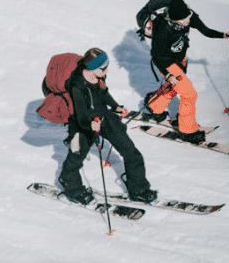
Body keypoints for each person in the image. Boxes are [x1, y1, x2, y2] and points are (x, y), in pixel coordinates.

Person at [58, 48, 157, 204]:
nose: (106, 70)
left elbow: (103, 93)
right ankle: (70, 184)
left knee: (131, 152)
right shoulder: (77, 85)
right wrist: (90, 124)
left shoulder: (98, 77)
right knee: (76, 157)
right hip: (82, 124)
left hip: (104, 117)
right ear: (92, 68)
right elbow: (80, 115)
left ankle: (138, 189)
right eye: (103, 68)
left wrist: (115, 106)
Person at [142, 0, 229, 144]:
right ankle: (187, 130)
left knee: (174, 87)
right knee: (189, 94)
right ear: (173, 20)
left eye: (187, 19)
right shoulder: (163, 29)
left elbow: (204, 30)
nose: (187, 23)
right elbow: (156, 56)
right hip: (166, 62)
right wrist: (167, 74)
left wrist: (224, 35)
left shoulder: (188, 15)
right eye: (182, 21)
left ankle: (155, 107)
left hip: (180, 60)